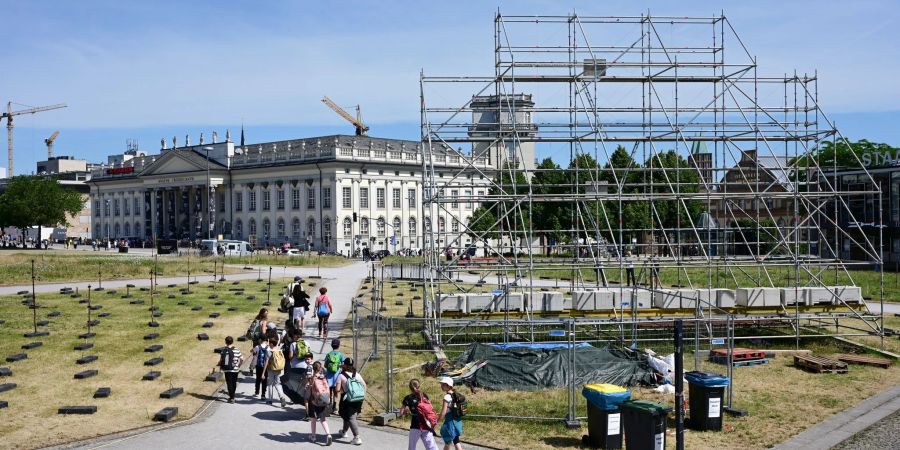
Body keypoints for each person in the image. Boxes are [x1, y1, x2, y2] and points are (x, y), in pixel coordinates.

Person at [400, 379, 440, 450]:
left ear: (410, 387)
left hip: (415, 425)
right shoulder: (424, 396)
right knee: (431, 447)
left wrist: (406, 411)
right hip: (427, 424)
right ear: (419, 386)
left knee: (412, 447)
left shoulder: (408, 398)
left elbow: (401, 412)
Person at [336, 357, 365, 446]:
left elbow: (337, 389)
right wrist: (362, 396)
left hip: (347, 399)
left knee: (351, 417)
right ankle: (344, 432)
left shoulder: (341, 375)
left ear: (344, 365)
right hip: (358, 398)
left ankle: (357, 437)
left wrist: (341, 391)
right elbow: (364, 385)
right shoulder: (357, 374)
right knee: (347, 416)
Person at [307, 361, 334, 445]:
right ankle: (328, 435)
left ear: (313, 368)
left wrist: (309, 385)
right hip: (324, 399)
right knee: (323, 419)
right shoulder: (323, 377)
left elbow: (310, 389)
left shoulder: (313, 378)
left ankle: (313, 436)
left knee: (313, 419)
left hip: (314, 401)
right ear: (320, 368)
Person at [436, 377, 464, 450]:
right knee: (455, 440)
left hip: (450, 422)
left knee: (448, 441)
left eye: (443, 385)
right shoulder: (456, 395)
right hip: (457, 420)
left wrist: (437, 421)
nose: (441, 386)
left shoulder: (447, 397)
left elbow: (443, 412)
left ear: (448, 386)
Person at [262, 336, 287, 407]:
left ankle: (270, 400)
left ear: (272, 344)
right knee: (278, 384)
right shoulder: (279, 350)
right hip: (279, 369)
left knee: (270, 384)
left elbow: (266, 362)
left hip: (271, 369)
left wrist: (263, 373)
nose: (268, 344)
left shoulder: (270, 351)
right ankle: (282, 397)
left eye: (269, 343)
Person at [218, 336, 244, 403]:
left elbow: (221, 360)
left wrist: (220, 366)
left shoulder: (223, 350)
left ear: (226, 342)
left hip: (227, 369)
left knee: (229, 383)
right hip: (235, 369)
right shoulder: (236, 350)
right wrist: (239, 365)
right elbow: (242, 359)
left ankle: (231, 397)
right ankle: (233, 396)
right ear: (232, 342)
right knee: (234, 382)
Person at [325, 338, 345, 412]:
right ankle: (335, 406)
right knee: (336, 392)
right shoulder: (341, 355)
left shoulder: (328, 355)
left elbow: (325, 365)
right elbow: (343, 365)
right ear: (339, 346)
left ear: (331, 345)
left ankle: (329, 405)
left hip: (329, 376)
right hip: (337, 376)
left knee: (329, 391)